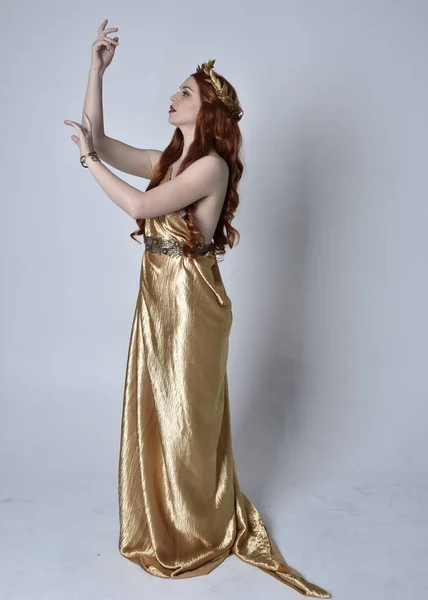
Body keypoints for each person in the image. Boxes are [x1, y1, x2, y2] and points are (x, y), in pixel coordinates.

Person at [64, 19, 332, 599]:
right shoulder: (171, 160)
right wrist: (96, 71)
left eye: (184, 92)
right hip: (157, 296)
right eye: (176, 91)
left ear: (206, 109)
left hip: (190, 305)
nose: (173, 97)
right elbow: (99, 138)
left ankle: (197, 532)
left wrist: (89, 163)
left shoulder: (209, 166)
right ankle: (162, 524)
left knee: (187, 417)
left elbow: (133, 200)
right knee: (155, 411)